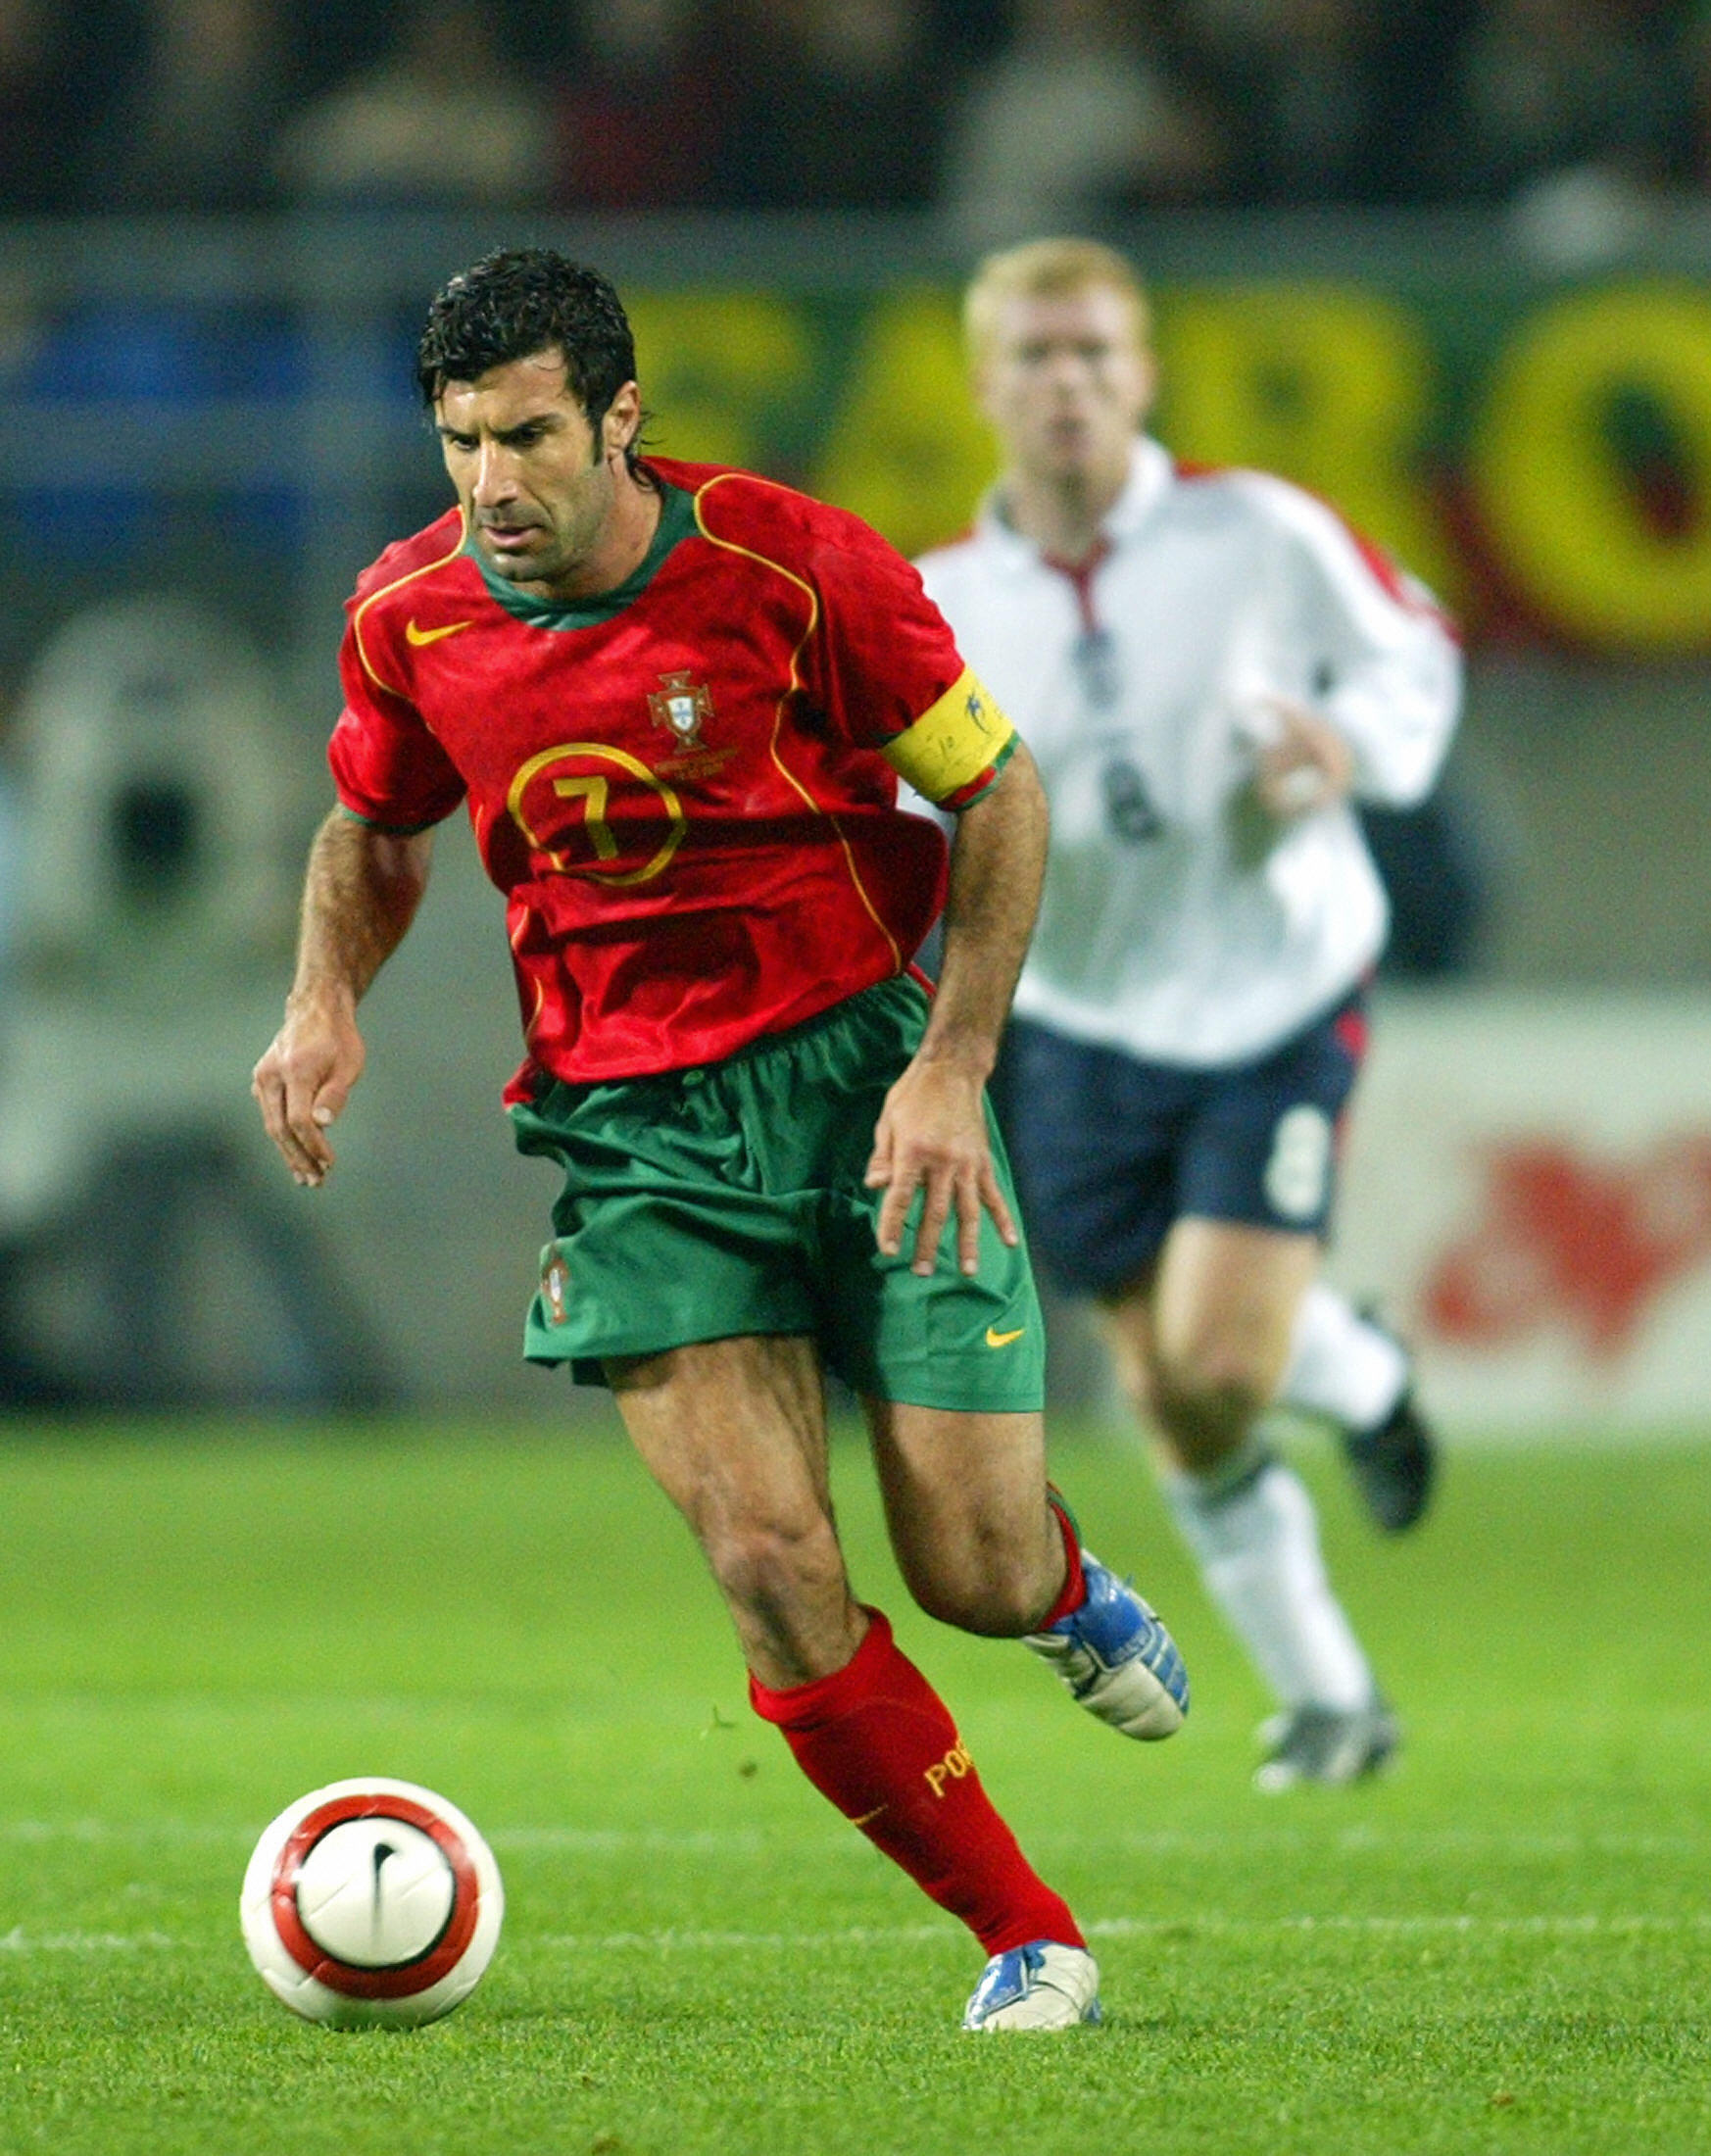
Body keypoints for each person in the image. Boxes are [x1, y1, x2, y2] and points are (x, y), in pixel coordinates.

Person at [251, 247, 1190, 2032]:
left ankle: (1059, 1587)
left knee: (971, 1572)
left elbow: (997, 792)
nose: (491, 482)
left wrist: (953, 1065)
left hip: (866, 1088)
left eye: (529, 436)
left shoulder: (794, 564)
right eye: (460, 441)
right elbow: (372, 825)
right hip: (635, 1137)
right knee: (767, 1561)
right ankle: (1026, 1934)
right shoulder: (407, 615)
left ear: (620, 419)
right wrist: (322, 1001)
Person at [916, 237, 1461, 1791]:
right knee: (1163, 1388)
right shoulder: (938, 600)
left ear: (1141, 373)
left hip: (1272, 989)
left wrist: (1348, 744)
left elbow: (1411, 651)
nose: (1067, 382)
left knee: (1219, 1363)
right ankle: (1334, 1700)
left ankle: (1359, 1379)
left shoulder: (1255, 530)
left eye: (1094, 352)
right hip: (1076, 1016)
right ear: (983, 385)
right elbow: (896, 796)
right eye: (1036, 355)